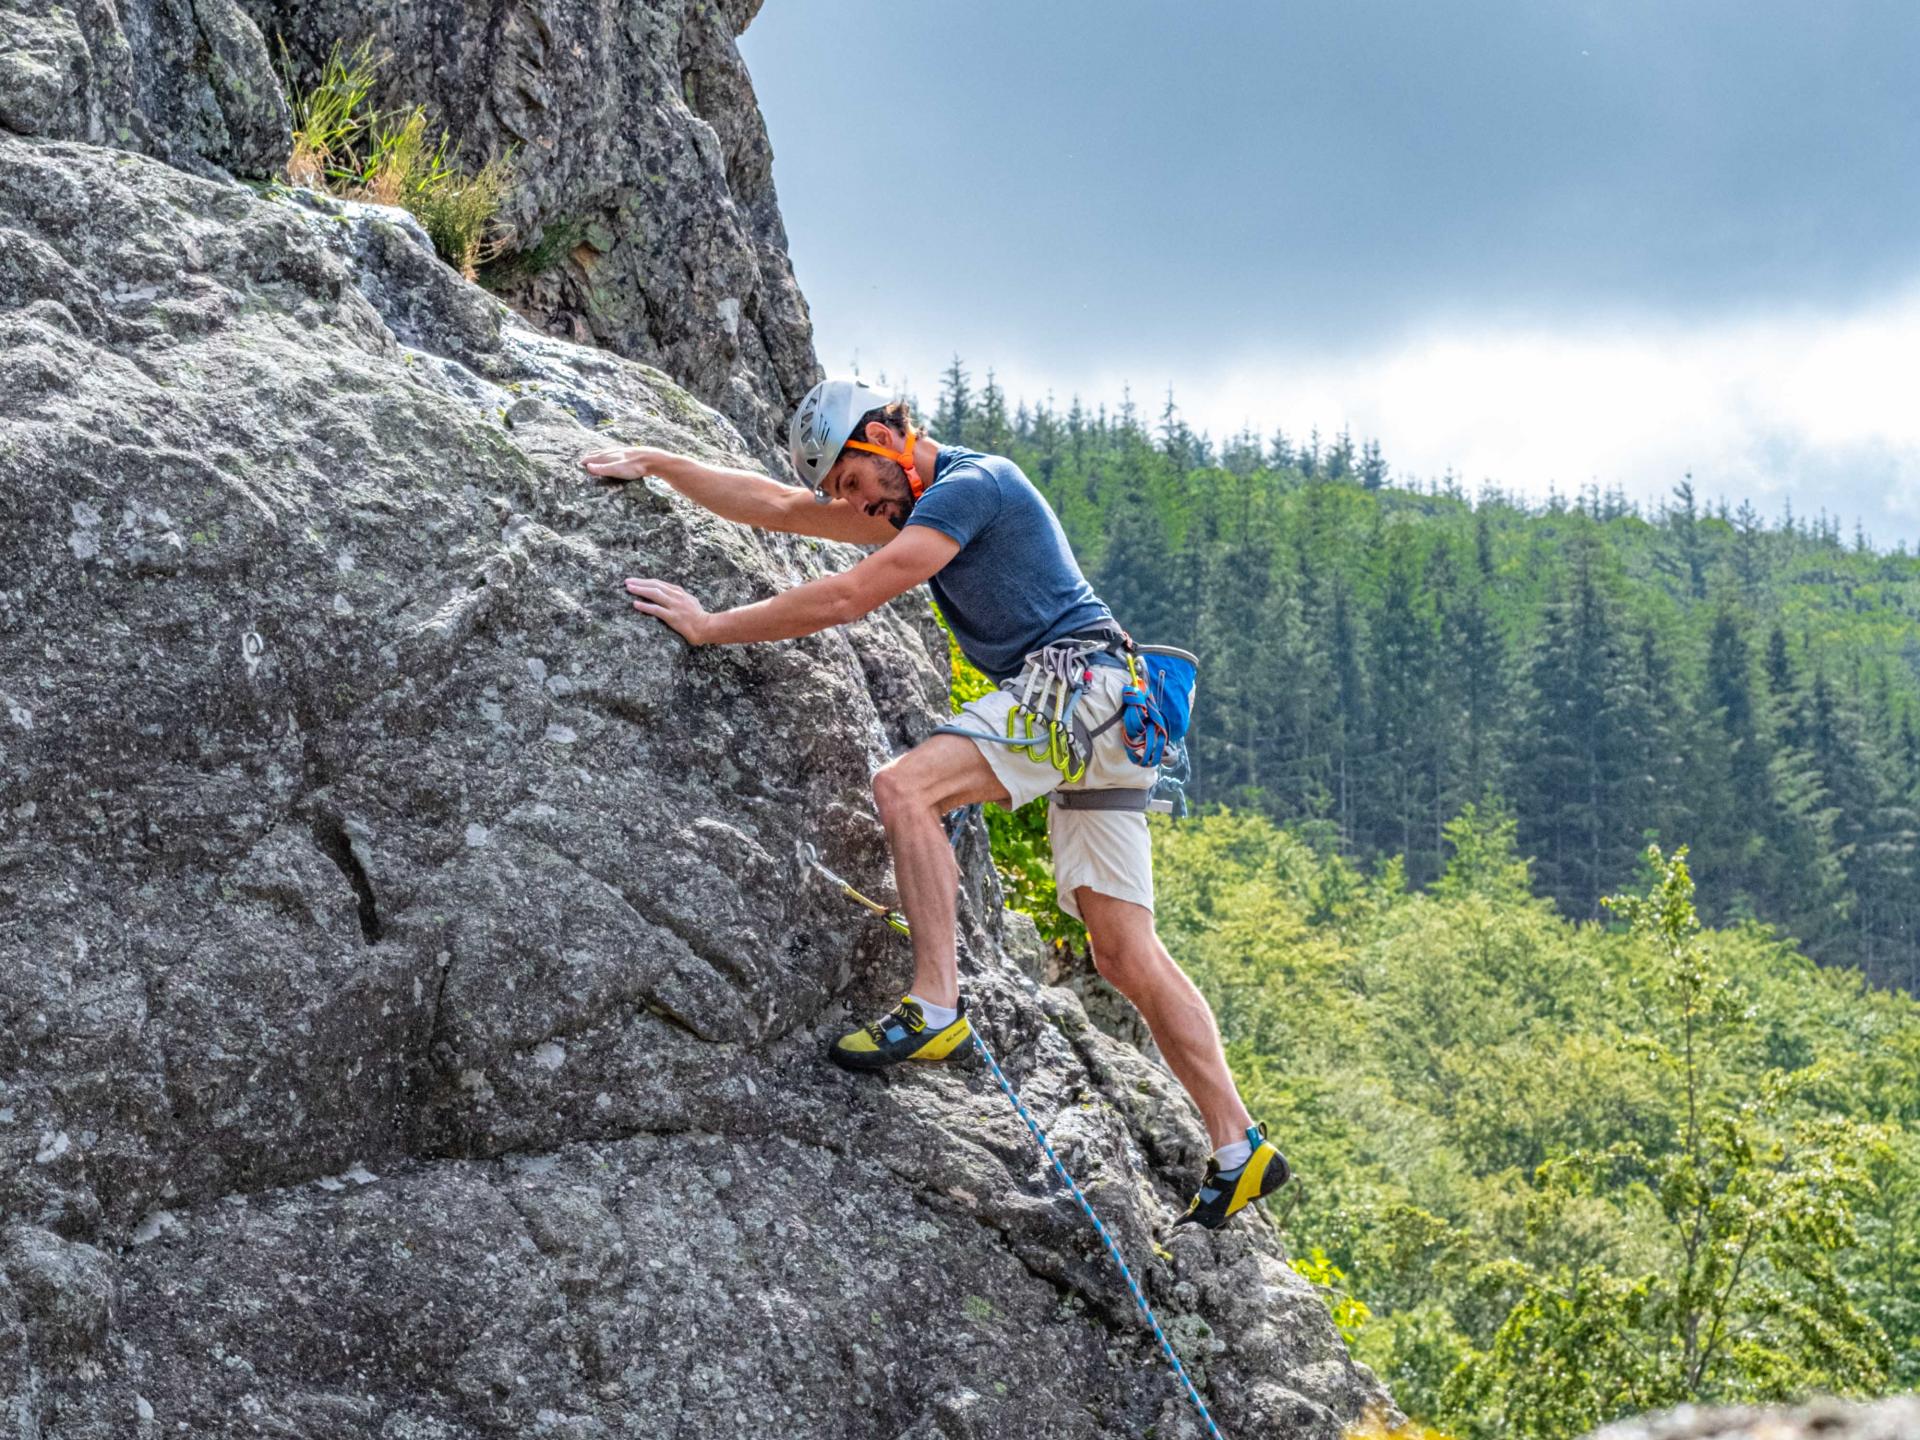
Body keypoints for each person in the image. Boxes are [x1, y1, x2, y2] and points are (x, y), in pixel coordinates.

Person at [580, 379, 1288, 1229]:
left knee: (904, 787)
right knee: (1124, 953)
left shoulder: (968, 487)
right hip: (1114, 709)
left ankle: (936, 1004)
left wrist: (710, 625)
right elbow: (776, 506)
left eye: (850, 480)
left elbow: (849, 597)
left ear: (885, 438)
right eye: (841, 490)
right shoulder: (909, 500)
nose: (848, 502)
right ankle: (1239, 1143)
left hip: (1077, 688)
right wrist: (661, 463)